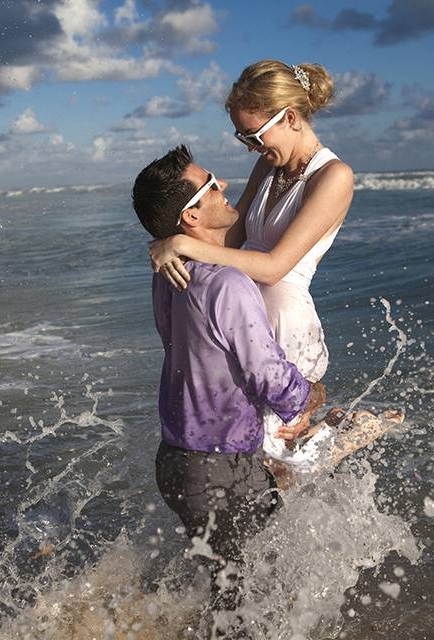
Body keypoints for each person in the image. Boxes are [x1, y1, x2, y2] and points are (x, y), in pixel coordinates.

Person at [148, 60, 402, 477]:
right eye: (241, 136)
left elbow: (274, 265)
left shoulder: (334, 177)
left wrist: (182, 243)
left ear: (289, 117)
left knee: (272, 458)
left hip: (284, 314)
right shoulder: (270, 163)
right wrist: (169, 241)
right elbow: (233, 235)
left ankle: (345, 437)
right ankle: (330, 432)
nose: (249, 147)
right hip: (245, 313)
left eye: (253, 135)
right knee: (256, 447)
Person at [132, 145, 326, 629]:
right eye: (212, 185)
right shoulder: (229, 284)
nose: (224, 188)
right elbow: (266, 374)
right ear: (191, 215)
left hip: (176, 462)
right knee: (237, 608)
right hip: (218, 471)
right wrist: (307, 397)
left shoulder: (168, 273)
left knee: (231, 591)